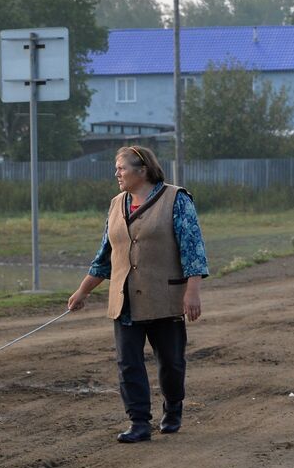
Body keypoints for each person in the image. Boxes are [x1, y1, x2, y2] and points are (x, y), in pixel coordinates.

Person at [66, 145, 208, 444]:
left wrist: (192, 292)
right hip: (125, 298)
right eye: (117, 168)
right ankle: (139, 422)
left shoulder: (176, 199)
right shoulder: (117, 204)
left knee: (171, 362)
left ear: (141, 170)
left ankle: (173, 407)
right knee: (128, 362)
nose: (117, 173)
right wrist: (82, 291)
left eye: (122, 168)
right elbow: (104, 255)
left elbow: (192, 248)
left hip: (165, 297)